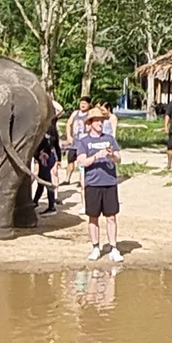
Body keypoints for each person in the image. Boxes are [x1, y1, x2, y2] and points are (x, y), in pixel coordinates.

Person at [75, 109, 124, 262]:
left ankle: (113, 248)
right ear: (90, 124)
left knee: (111, 217)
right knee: (93, 217)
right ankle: (95, 247)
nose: (100, 123)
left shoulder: (109, 139)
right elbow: (82, 162)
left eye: (102, 121)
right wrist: (96, 156)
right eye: (97, 121)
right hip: (93, 184)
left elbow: (119, 159)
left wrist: (111, 155)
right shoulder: (84, 142)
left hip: (109, 182)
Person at [60, 97, 92, 185]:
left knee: (81, 161)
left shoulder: (90, 114)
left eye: (85, 103)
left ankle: (82, 179)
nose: (83, 105)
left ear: (89, 105)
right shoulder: (75, 113)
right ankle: (67, 179)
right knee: (70, 159)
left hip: (84, 143)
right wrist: (69, 136)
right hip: (74, 142)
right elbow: (68, 124)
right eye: (81, 103)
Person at [34, 128, 60, 213]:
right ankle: (35, 201)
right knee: (41, 181)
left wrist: (59, 159)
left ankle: (51, 206)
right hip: (42, 157)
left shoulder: (51, 130)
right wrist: (38, 155)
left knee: (47, 181)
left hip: (47, 158)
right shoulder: (40, 129)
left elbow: (55, 145)